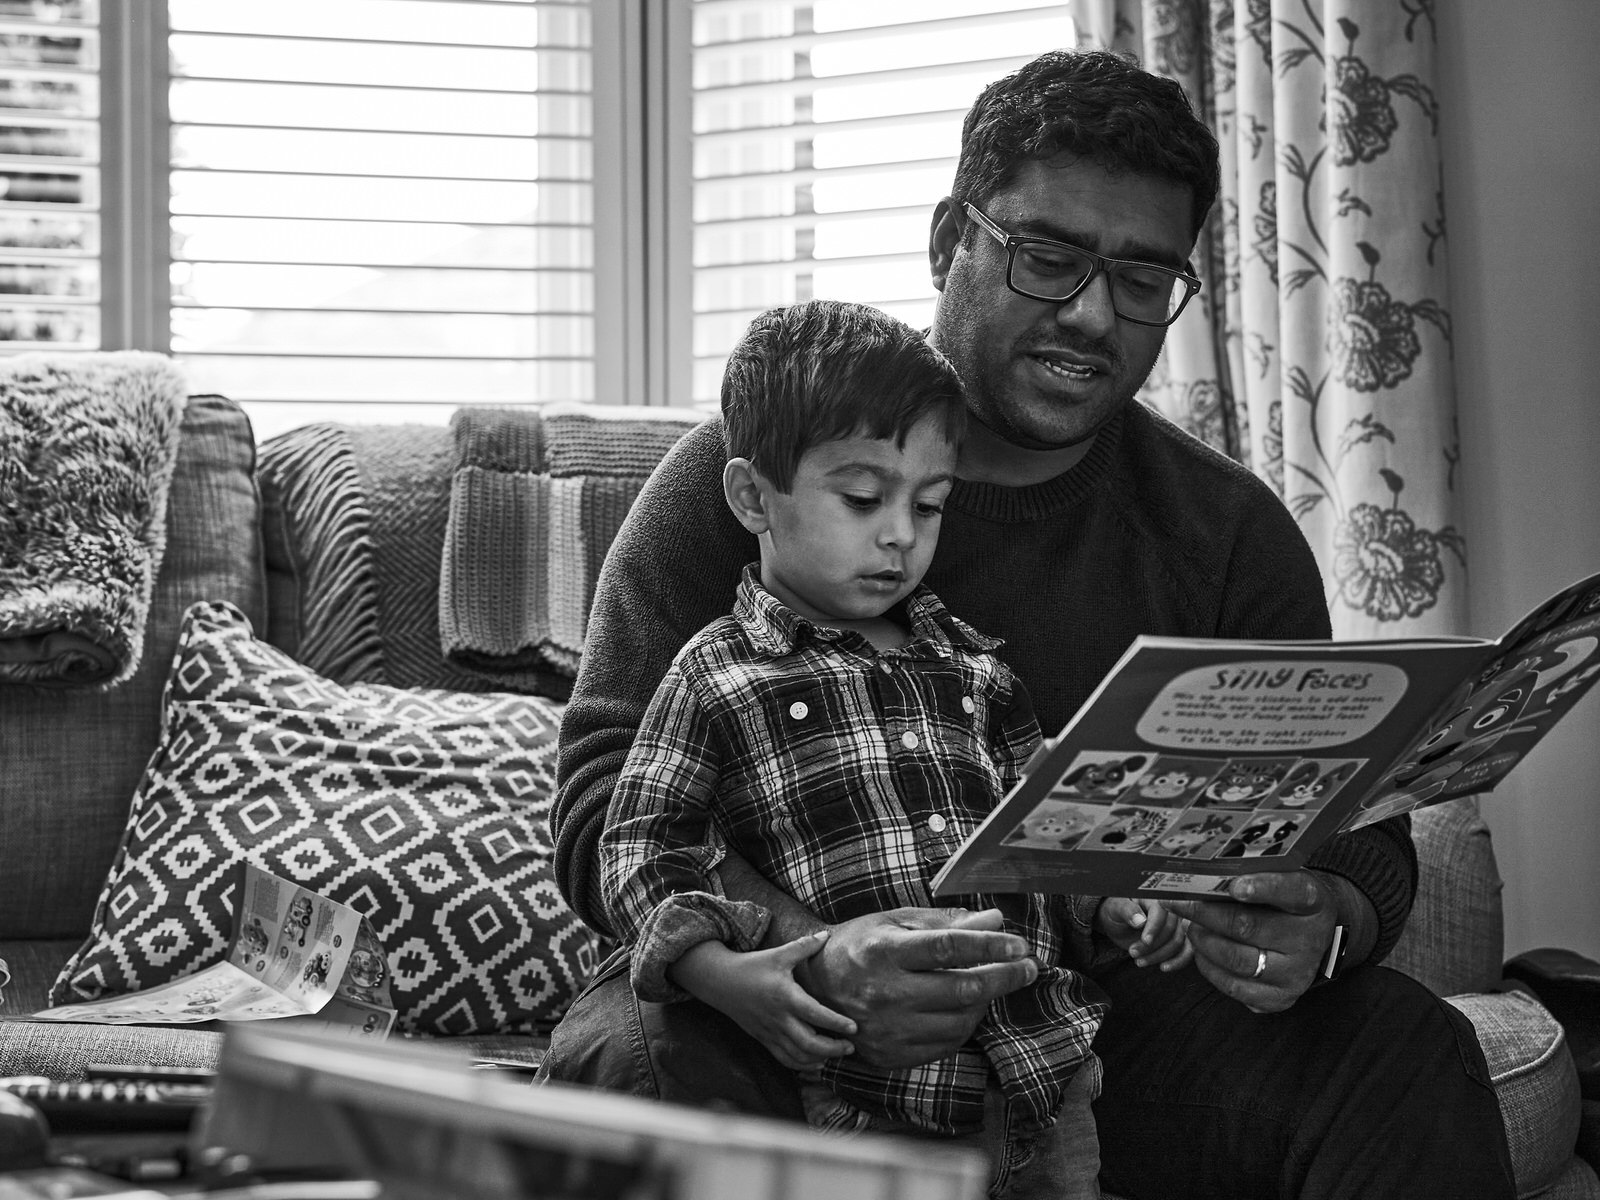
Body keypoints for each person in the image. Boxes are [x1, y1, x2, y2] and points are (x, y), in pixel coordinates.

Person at [540, 48, 1517, 1200]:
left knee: (1400, 1049)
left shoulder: (1225, 533)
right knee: (634, 1061)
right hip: (777, 1002)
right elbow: (606, 802)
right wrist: (813, 953)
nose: (1093, 315)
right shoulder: (747, 477)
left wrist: (1326, 921)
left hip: (1092, 1032)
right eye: (1048, 259)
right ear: (950, 238)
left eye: (1143, 281)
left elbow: (1355, 831)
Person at [598, 299, 1191, 1198]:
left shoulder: (976, 666)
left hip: (1043, 1076)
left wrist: (1112, 905)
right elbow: (640, 848)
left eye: (930, 504)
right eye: (863, 498)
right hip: (861, 1097)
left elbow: (1046, 831)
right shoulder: (716, 675)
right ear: (752, 496)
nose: (900, 536)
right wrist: (727, 976)